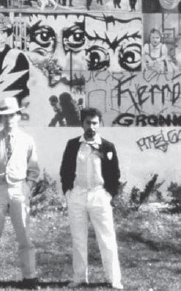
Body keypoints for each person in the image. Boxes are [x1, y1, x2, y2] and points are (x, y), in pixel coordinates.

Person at [0, 97, 40, 289]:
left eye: (12, 115)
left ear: (18, 116)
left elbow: (33, 169)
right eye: (5, 116)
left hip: (18, 190)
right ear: (1, 118)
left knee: (23, 233)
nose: (8, 119)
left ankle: (29, 277)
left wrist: (27, 188)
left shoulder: (27, 140)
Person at [60, 107, 123, 289]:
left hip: (99, 195)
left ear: (99, 124)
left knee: (107, 238)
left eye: (95, 123)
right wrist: (68, 192)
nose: (92, 127)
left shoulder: (107, 146)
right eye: (88, 122)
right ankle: (79, 278)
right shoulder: (72, 145)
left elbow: (115, 173)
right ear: (82, 124)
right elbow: (65, 170)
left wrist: (109, 194)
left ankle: (114, 279)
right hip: (77, 195)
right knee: (78, 238)